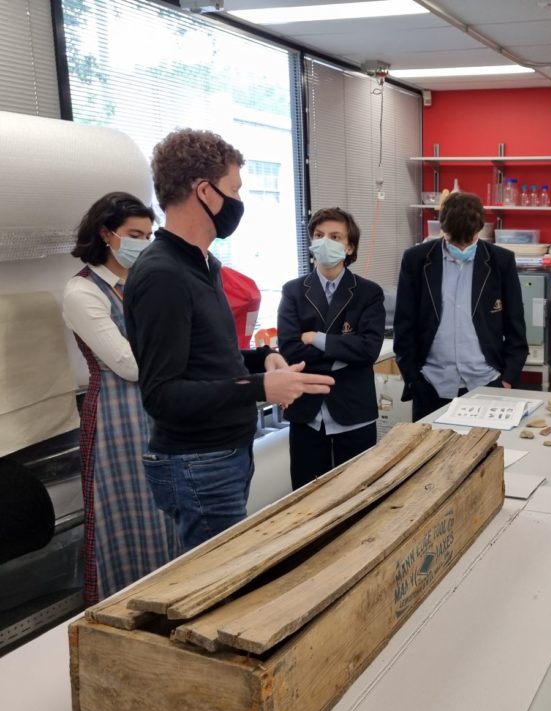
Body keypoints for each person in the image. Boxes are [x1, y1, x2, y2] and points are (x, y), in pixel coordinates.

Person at [124, 128, 334, 549]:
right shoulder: (163, 275)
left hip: (224, 452)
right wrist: (261, 388)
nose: (239, 202)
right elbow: (163, 394)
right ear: (204, 191)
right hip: (198, 461)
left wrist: (262, 359)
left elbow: (208, 356)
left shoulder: (204, 265)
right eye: (234, 189)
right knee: (218, 590)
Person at [61, 192, 180, 601]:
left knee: (168, 511)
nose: (142, 244)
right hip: (118, 414)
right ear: (106, 234)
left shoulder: (141, 282)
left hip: (158, 407)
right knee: (133, 515)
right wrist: (174, 351)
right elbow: (128, 365)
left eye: (148, 235)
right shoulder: (83, 292)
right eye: (134, 234)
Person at [394, 192, 528, 422]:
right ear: (443, 228)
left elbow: (516, 326)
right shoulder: (416, 260)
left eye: (469, 240)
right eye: (455, 240)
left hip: (487, 382)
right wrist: (413, 379)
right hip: (431, 384)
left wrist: (506, 379)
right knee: (431, 456)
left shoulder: (501, 261)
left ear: (479, 229)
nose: (462, 247)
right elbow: (404, 325)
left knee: (487, 455)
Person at [277, 208, 384, 490]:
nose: (325, 241)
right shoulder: (293, 291)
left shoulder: (368, 292)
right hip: (307, 413)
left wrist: (316, 339)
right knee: (306, 498)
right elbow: (289, 349)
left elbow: (369, 349)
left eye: (335, 237)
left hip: (354, 410)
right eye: (319, 235)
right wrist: (342, 352)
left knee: (359, 495)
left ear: (349, 247)